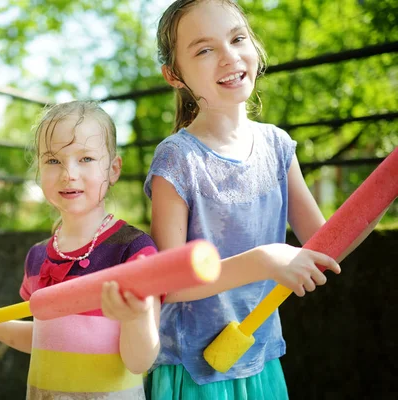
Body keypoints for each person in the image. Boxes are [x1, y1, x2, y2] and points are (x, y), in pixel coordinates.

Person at [143, 1, 347, 398]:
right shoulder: (177, 158)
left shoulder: (277, 146)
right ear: (174, 75)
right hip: (193, 368)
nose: (229, 56)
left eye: (237, 38)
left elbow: (327, 244)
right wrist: (263, 261)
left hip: (261, 357)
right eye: (204, 49)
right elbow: (168, 284)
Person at [0, 100, 160, 399]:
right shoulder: (37, 257)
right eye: (53, 160)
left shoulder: (133, 251)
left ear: (114, 169)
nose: (69, 173)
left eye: (86, 158)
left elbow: (140, 361)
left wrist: (137, 315)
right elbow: (41, 341)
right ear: (38, 169)